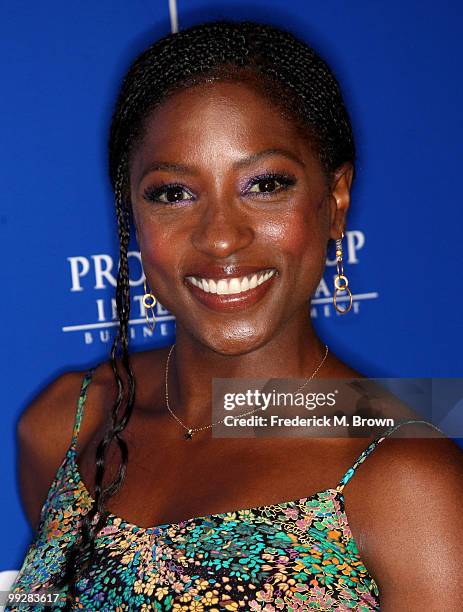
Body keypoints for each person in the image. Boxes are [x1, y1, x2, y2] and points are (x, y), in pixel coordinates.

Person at [7, 19, 463, 612]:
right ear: (132, 217)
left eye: (264, 184)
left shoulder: (411, 489)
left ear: (336, 200)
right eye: (174, 193)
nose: (221, 237)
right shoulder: (63, 427)